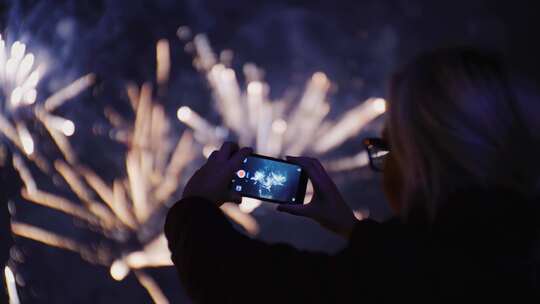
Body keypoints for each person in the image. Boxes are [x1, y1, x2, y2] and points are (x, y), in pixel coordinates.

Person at [165, 48, 540, 303]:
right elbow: (422, 262)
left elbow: (240, 285)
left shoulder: (397, 283)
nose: (381, 164)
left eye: (387, 148)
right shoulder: (511, 253)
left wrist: (195, 209)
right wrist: (356, 230)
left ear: (424, 164)